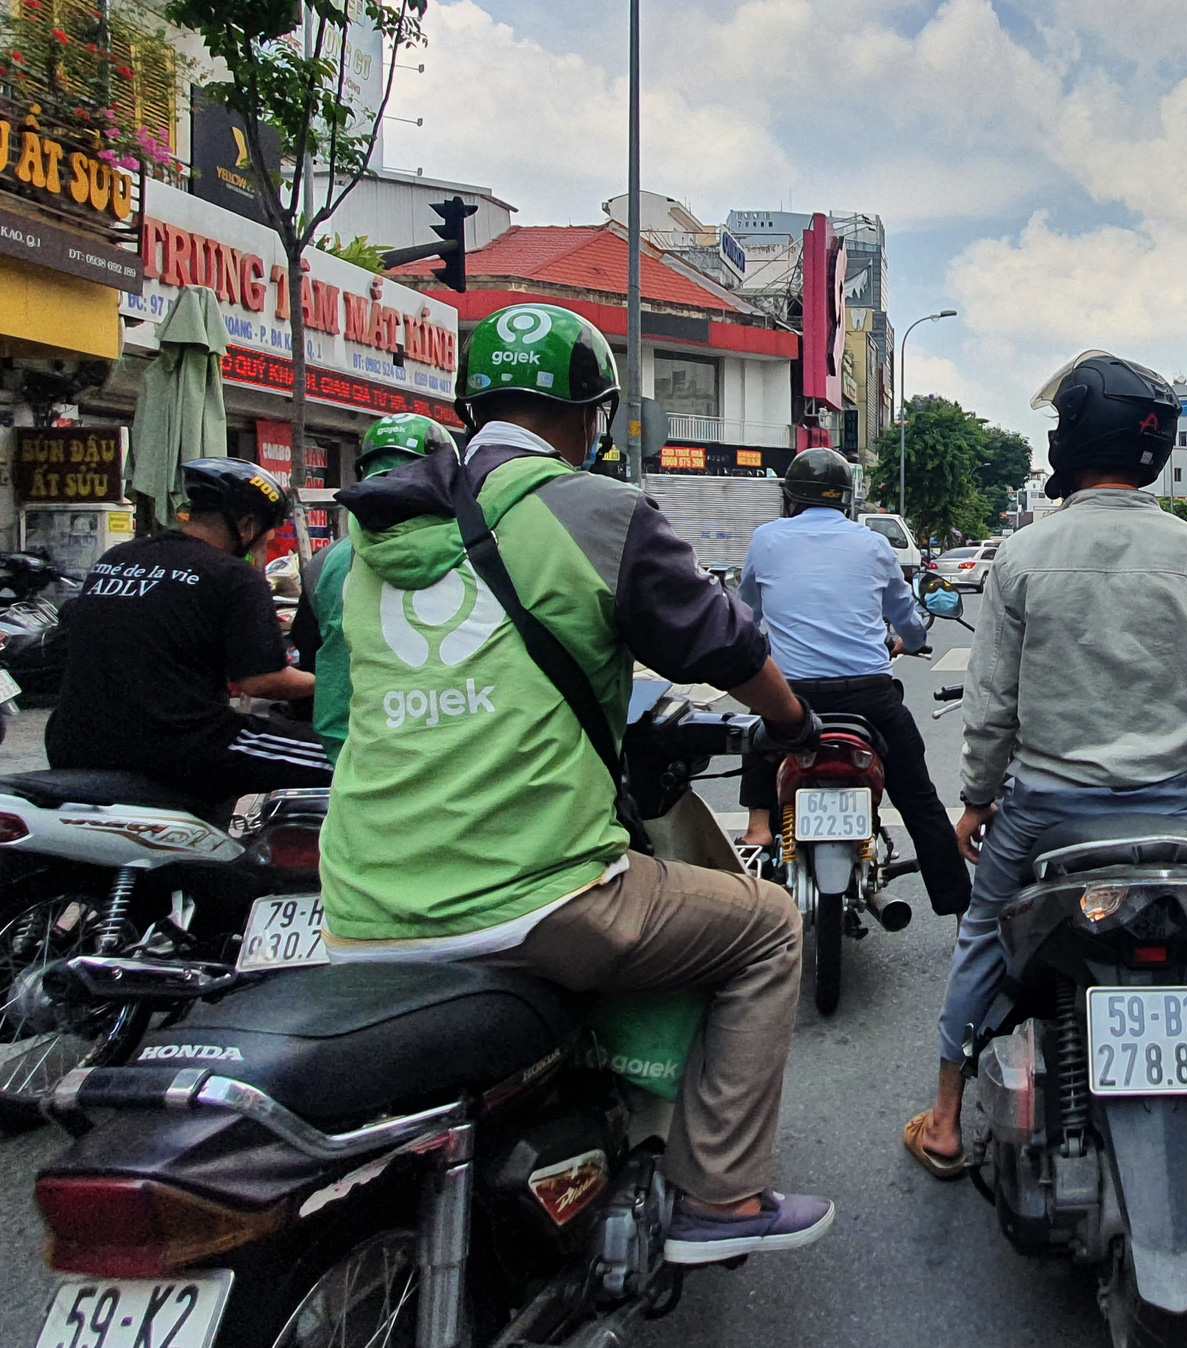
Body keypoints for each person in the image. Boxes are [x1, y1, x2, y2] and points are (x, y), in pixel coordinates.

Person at [318, 303, 833, 1262]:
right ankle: (719, 1197)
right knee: (769, 925)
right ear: (594, 415)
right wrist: (793, 724)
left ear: (472, 403)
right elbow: (723, 644)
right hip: (533, 898)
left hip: (354, 903)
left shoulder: (366, 538)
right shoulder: (597, 512)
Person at [905, 350, 1187, 1178]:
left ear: (1072, 441)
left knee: (984, 933)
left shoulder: (1024, 556)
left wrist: (977, 800)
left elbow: (989, 710)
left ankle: (948, 1116)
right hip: (1172, 808)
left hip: (1046, 815)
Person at [735, 447, 971, 916]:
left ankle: (760, 825)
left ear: (791, 497)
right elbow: (907, 620)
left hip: (793, 698)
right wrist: (908, 639)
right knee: (920, 801)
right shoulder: (873, 544)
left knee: (761, 724)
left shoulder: (765, 540)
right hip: (870, 697)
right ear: (847, 498)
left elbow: (748, 613)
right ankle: (962, 911)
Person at [45, 458, 330, 802]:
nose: (261, 550)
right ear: (247, 525)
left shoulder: (117, 557)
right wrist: (341, 681)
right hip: (180, 746)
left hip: (73, 741)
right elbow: (263, 681)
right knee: (350, 760)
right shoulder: (233, 577)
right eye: (264, 541)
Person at [293, 413, 455, 763]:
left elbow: (313, 662)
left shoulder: (325, 565)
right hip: (456, 761)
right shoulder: (478, 546)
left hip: (353, 761)